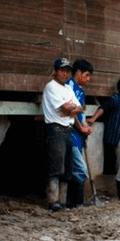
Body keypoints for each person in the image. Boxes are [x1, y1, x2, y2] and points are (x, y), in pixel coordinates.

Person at [42, 58, 84, 212]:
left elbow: (79, 108)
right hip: (55, 128)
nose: (65, 74)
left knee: (67, 167)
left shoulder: (68, 89)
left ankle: (63, 201)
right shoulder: (51, 87)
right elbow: (67, 107)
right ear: (55, 71)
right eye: (62, 70)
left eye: (68, 71)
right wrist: (71, 108)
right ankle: (53, 201)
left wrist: (71, 109)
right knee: (56, 166)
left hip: (68, 128)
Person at [66, 59, 94, 208]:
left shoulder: (80, 90)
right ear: (78, 73)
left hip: (78, 134)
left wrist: (85, 126)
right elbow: (71, 112)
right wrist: (81, 127)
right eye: (87, 75)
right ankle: (75, 203)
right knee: (80, 170)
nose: (88, 79)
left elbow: (81, 114)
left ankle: (76, 203)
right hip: (70, 133)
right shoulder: (68, 86)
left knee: (75, 168)